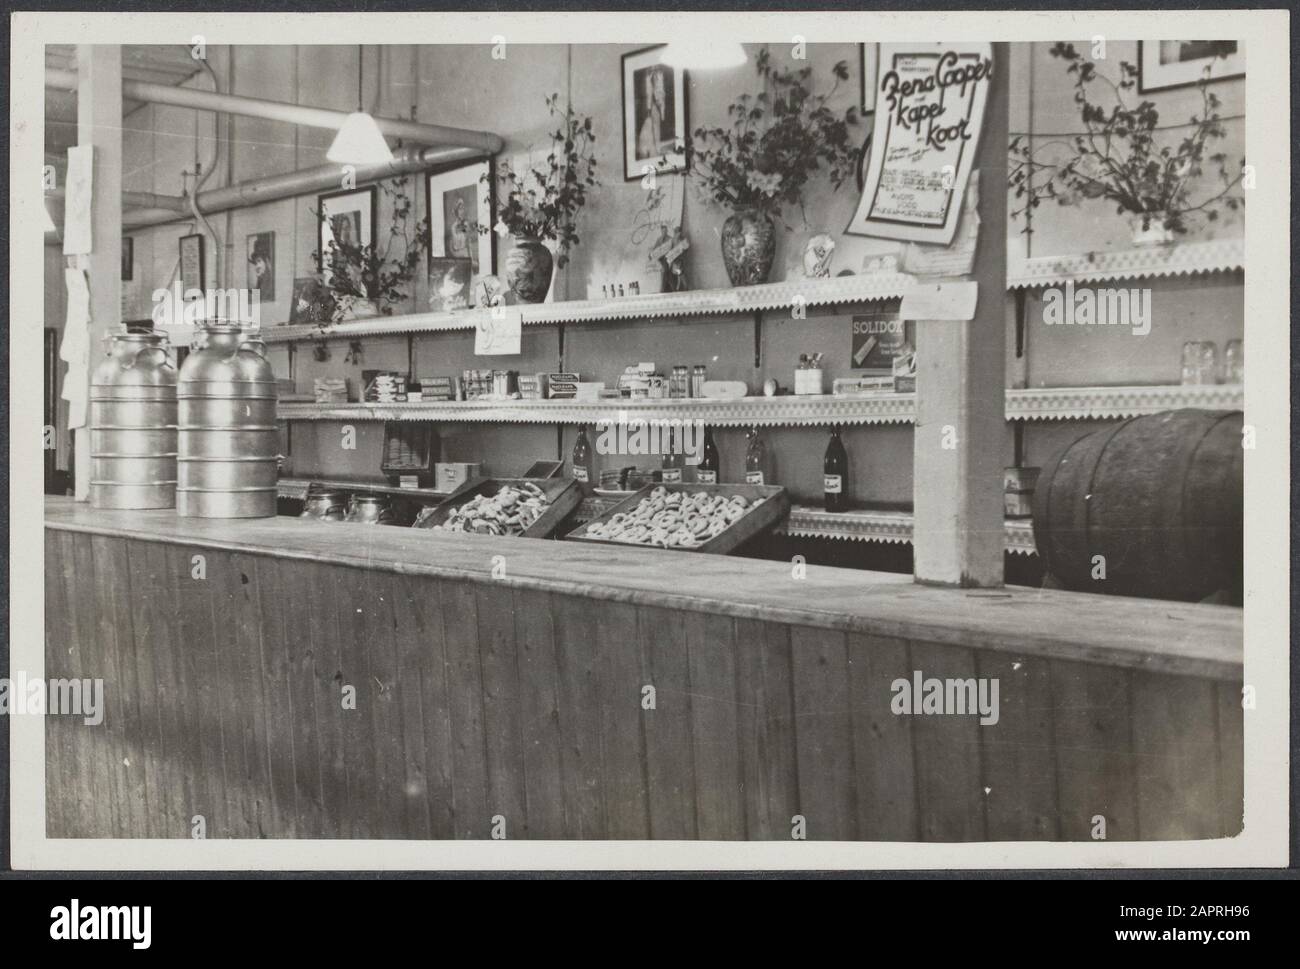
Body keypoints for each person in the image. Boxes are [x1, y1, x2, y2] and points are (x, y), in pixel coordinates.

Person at [636, 66, 668, 160]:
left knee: (655, 127)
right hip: (648, 106)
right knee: (649, 128)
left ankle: (655, 149)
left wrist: (660, 107)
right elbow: (648, 91)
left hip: (655, 105)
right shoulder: (648, 76)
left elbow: (660, 91)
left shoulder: (658, 75)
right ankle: (649, 150)